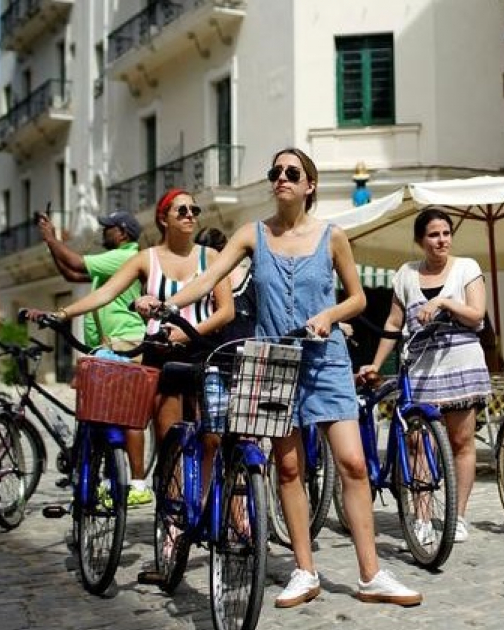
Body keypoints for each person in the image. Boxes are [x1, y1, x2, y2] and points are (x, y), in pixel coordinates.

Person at [139, 147, 422, 608]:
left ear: (309, 185)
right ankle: (304, 571)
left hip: (326, 359)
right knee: (287, 468)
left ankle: (371, 574)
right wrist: (167, 303)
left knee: (351, 462)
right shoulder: (252, 234)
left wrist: (330, 315)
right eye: (276, 172)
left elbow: (358, 300)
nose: (281, 178)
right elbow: (208, 278)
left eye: (292, 172)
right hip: (272, 362)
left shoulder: (333, 236)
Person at [35, 189, 234, 502]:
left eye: (193, 210)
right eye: (181, 210)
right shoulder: (146, 259)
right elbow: (105, 293)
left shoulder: (211, 258)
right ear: (163, 218)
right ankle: (172, 515)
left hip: (202, 348)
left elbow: (226, 311)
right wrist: (61, 313)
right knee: (170, 441)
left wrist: (185, 333)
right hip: (160, 354)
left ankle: (206, 501)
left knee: (212, 437)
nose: (190, 215)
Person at [356, 208, 491, 544]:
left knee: (461, 443)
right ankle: (423, 517)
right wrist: (376, 362)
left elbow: (476, 315)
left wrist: (445, 302)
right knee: (418, 443)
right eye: (433, 234)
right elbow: (393, 323)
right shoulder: (405, 274)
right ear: (420, 240)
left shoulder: (467, 269)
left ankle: (458, 516)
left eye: (446, 233)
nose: (441, 240)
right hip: (421, 369)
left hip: (461, 363)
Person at [39, 208, 151, 504]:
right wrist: (50, 244)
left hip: (124, 344)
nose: (103, 233)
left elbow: (75, 261)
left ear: (122, 233)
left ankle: (136, 483)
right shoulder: (110, 264)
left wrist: (51, 239)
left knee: (126, 416)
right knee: (107, 415)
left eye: (108, 228)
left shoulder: (125, 256)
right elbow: (71, 272)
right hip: (105, 347)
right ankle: (103, 472)